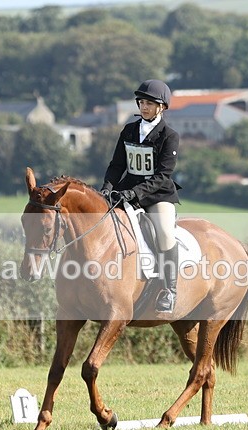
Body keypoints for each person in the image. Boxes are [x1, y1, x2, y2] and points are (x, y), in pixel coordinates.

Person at [101, 79, 181, 314]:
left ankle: (169, 290)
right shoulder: (129, 130)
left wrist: (134, 192)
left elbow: (163, 176)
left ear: (162, 107)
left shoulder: (169, 136)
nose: (144, 107)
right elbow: (116, 165)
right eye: (142, 102)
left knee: (165, 233)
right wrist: (107, 187)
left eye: (150, 103)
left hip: (158, 195)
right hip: (126, 191)